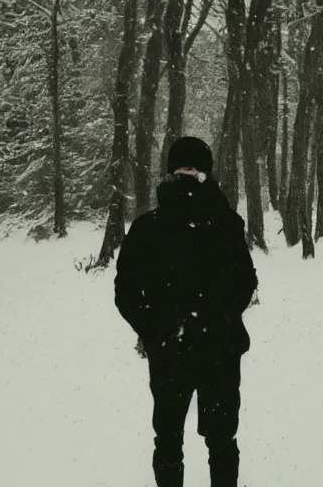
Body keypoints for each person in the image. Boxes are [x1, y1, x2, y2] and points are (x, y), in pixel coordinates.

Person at [114, 136, 258, 487]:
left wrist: (221, 319)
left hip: (220, 350)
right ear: (170, 173)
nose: (188, 174)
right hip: (170, 353)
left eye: (195, 168)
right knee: (168, 439)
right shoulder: (148, 228)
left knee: (222, 439)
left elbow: (245, 280)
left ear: (207, 173)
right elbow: (127, 292)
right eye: (181, 167)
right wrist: (157, 331)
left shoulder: (227, 224)